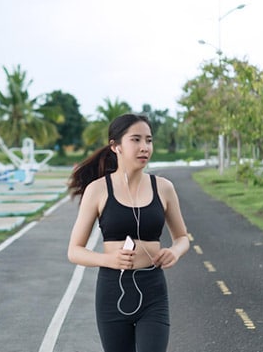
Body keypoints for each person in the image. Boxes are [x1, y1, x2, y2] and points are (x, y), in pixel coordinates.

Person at [67, 113, 189, 352]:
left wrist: (175, 251)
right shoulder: (98, 190)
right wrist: (109, 260)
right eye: (136, 140)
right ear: (116, 146)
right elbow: (74, 251)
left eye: (149, 140)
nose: (145, 147)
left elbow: (182, 238)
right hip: (112, 291)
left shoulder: (163, 188)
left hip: (153, 290)